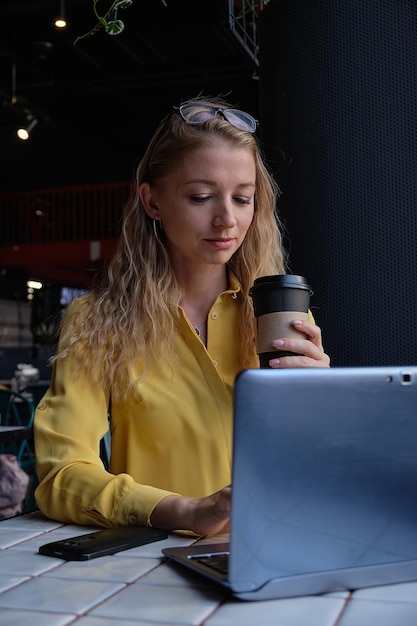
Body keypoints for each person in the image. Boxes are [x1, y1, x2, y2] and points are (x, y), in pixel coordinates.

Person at [34, 96, 330, 534]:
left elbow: (315, 463)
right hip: (156, 564)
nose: (226, 219)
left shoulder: (278, 318)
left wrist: (323, 405)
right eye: (201, 197)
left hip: (279, 543)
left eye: (243, 198)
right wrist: (182, 511)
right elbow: (62, 477)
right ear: (152, 202)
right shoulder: (99, 320)